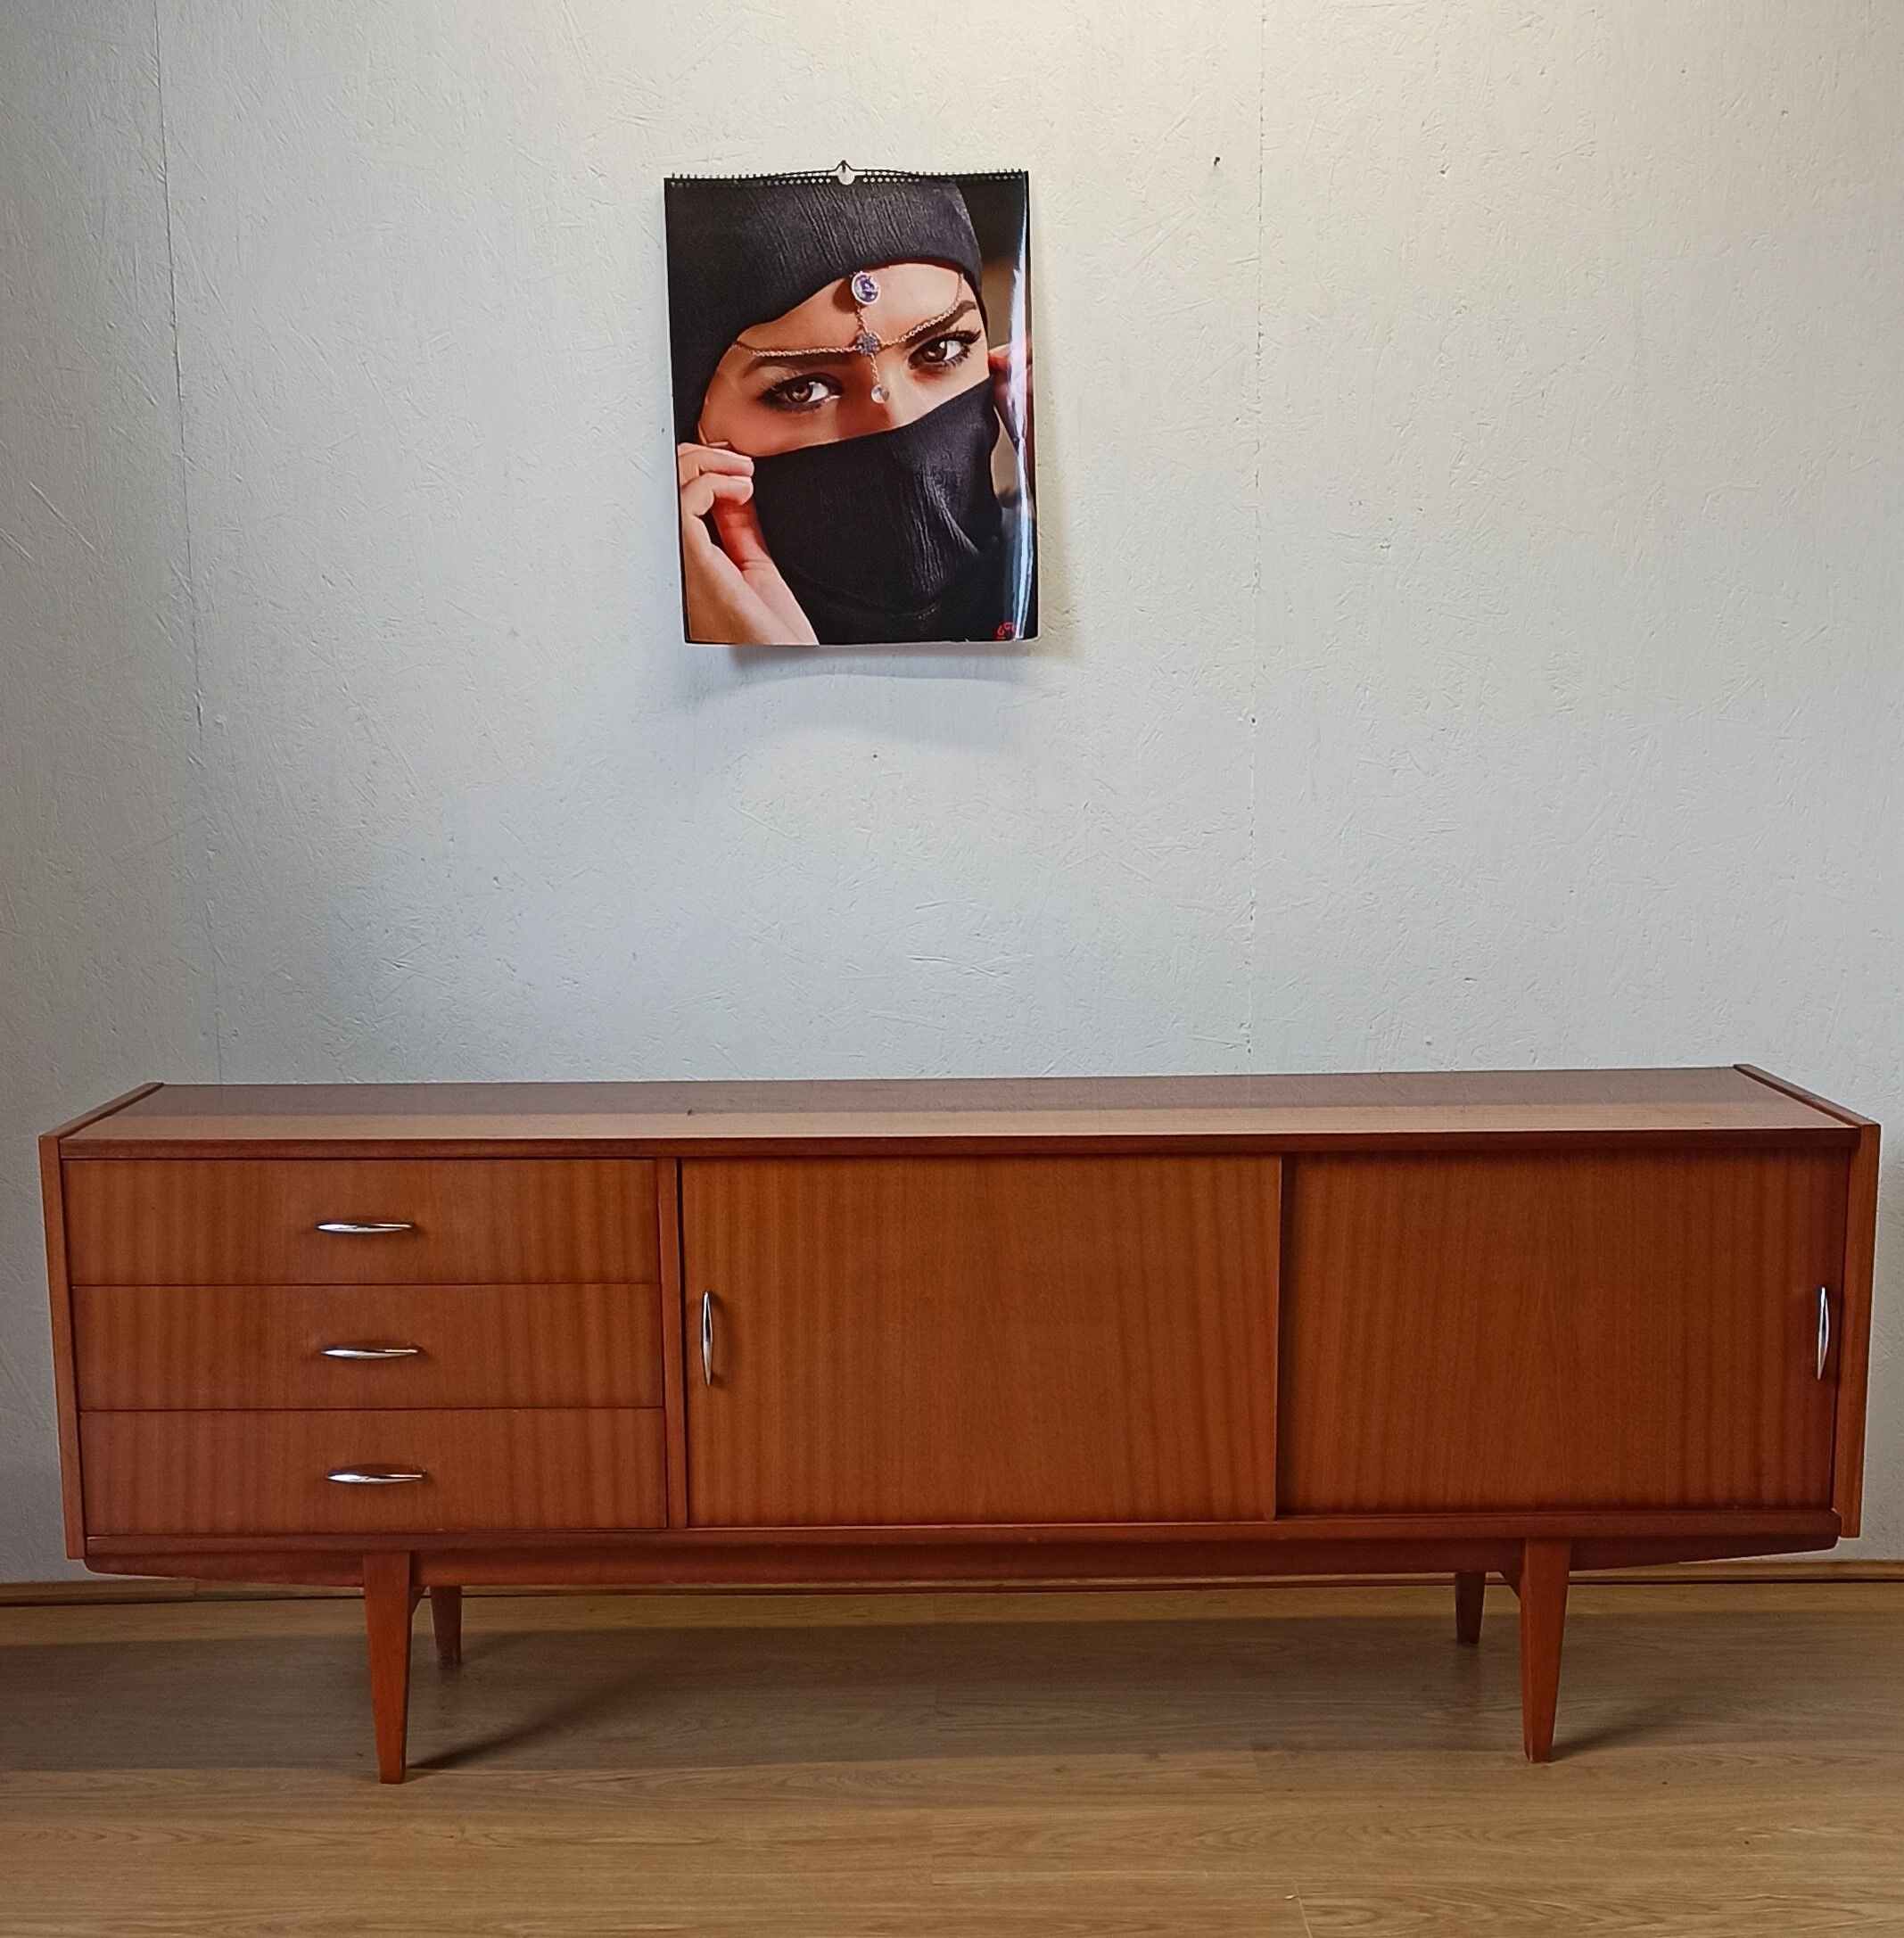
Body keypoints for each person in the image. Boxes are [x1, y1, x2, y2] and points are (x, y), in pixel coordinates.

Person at [666, 174, 1034, 646]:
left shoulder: (1051, 576)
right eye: (804, 390)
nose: (895, 421)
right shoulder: (612, 639)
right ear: (693, 422)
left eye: (941, 350)